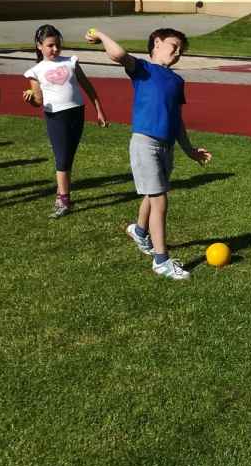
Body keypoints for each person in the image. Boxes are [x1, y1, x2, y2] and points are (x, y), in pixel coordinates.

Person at [86, 26, 211, 280]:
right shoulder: (142, 69)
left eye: (182, 50)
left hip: (167, 146)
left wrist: (189, 149)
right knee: (159, 199)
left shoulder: (177, 81)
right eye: (174, 46)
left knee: (152, 194)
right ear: (157, 43)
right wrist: (100, 34)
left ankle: (140, 231)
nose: (178, 53)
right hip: (145, 143)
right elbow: (118, 54)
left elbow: (177, 119)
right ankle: (161, 261)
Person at [23, 24, 108, 218]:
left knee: (68, 156)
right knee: (61, 158)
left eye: (57, 45)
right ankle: (64, 200)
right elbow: (38, 101)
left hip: (77, 113)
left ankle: (61, 194)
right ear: (39, 46)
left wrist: (99, 110)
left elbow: (88, 86)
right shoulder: (35, 71)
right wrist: (30, 101)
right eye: (50, 45)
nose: (55, 49)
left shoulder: (71, 62)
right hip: (56, 117)